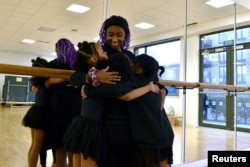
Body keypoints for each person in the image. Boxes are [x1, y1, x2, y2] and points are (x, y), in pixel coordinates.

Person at [63, 42, 159, 167]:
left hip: (94, 122)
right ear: (94, 58)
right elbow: (74, 78)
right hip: (91, 123)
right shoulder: (99, 70)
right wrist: (92, 77)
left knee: (83, 157)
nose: (106, 52)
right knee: (85, 157)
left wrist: (88, 89)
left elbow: (118, 90)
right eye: (102, 51)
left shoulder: (113, 65)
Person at [128, 54, 174, 167]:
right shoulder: (154, 85)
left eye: (133, 63)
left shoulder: (134, 83)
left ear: (139, 70)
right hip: (165, 133)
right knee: (163, 163)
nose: (130, 65)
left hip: (149, 136)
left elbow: (122, 93)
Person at [45, 38, 82, 167]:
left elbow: (83, 80)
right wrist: (67, 78)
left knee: (71, 142)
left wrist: (71, 80)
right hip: (60, 106)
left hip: (72, 105)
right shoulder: (53, 64)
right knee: (59, 141)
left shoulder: (78, 64)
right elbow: (47, 82)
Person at [22, 57, 50, 167]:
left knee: (34, 145)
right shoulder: (47, 82)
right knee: (37, 146)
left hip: (36, 111)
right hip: (41, 114)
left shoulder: (37, 83)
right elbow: (62, 78)